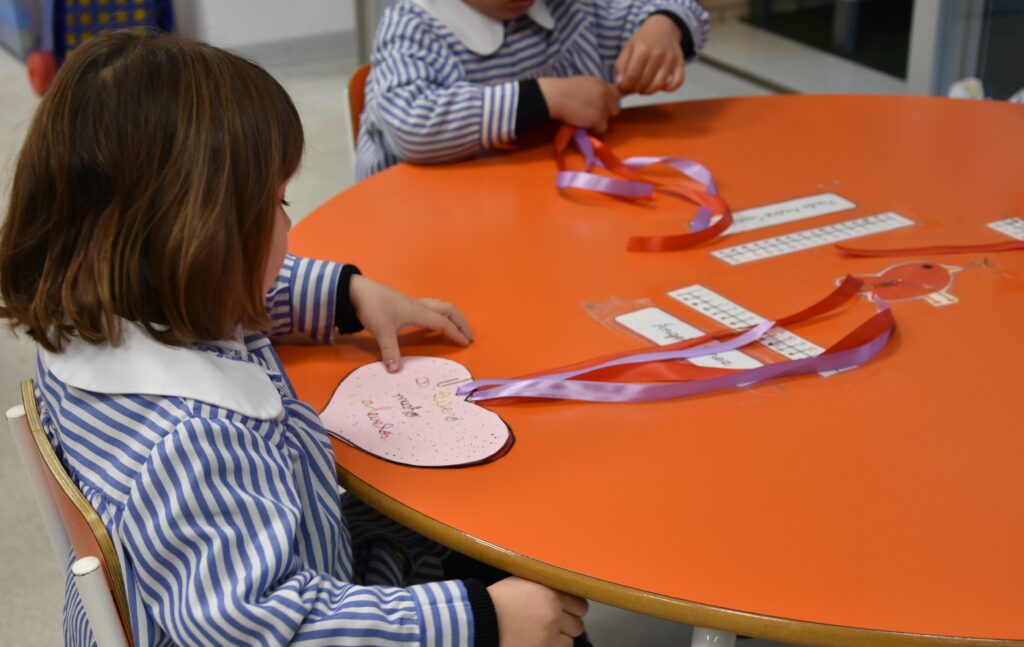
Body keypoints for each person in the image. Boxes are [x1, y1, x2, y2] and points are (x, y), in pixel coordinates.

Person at [0, 30, 589, 647]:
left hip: (258, 562)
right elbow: (278, 634)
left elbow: (245, 298)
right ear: (200, 245)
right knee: (495, 556)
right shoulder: (193, 446)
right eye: (276, 204)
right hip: (299, 603)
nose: (289, 222)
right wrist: (481, 621)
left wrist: (346, 295)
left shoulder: (96, 310)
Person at [356, 0, 711, 179]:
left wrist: (665, 26)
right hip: (425, 231)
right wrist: (547, 98)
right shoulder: (413, 24)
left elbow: (685, 9)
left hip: (544, 210)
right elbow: (412, 125)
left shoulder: (572, 8)